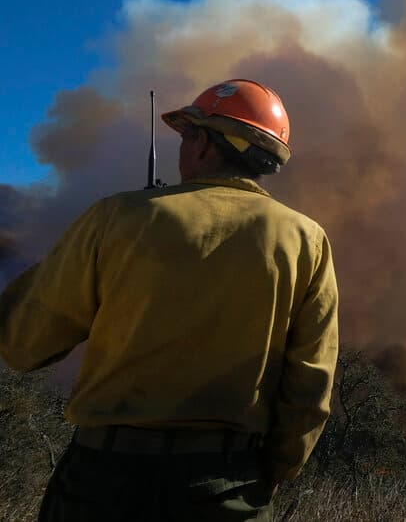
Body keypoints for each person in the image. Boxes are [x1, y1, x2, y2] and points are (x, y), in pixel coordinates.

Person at [0, 79, 339, 521]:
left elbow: (24, 345)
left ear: (202, 145)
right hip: (228, 487)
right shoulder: (306, 240)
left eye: (187, 136)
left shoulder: (118, 217)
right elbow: (311, 386)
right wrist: (268, 474)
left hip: (103, 482)